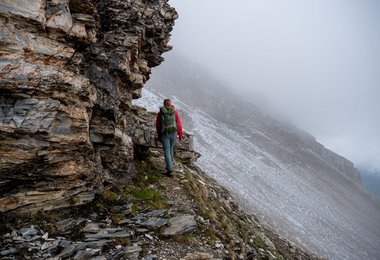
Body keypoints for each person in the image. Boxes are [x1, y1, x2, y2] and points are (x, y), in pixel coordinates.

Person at [156, 98, 183, 176]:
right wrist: (180, 135)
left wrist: (159, 135)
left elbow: (158, 126)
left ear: (164, 104)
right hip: (174, 133)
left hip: (165, 134)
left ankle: (170, 169)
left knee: (167, 150)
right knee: (171, 148)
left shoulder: (160, 113)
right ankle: (170, 166)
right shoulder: (174, 112)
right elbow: (179, 124)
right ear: (170, 104)